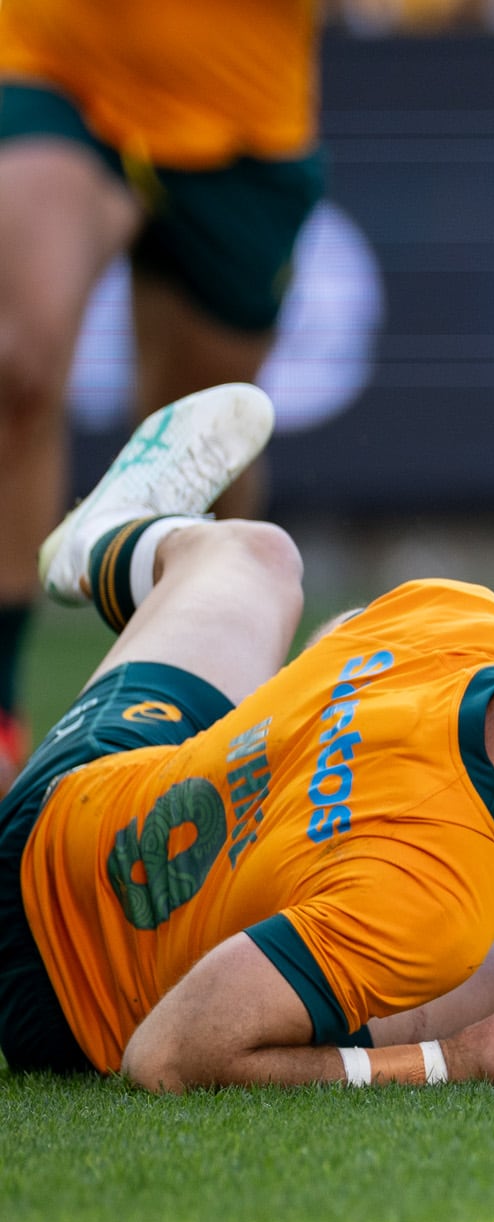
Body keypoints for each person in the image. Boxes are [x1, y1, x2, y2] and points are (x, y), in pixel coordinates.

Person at [0, 383, 494, 1089]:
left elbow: (341, 640)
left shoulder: (467, 617)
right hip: (63, 1000)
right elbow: (164, 1056)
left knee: (254, 553)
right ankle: (101, 534)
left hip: (76, 799)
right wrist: (448, 1061)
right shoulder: (433, 905)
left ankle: (111, 539)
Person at [0, 0, 342, 797]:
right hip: (57, 64)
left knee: (210, 433)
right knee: (18, 361)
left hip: (240, 106)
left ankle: (224, 710)